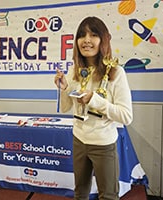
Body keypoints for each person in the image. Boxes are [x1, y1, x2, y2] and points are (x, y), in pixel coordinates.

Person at [54, 16, 133, 200]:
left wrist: (95, 100)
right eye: (82, 35)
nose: (86, 40)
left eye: (93, 35)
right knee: (80, 192)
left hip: (103, 143)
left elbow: (126, 116)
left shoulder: (116, 72)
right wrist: (65, 88)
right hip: (79, 139)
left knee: (108, 195)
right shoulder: (76, 70)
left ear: (103, 40)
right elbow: (66, 108)